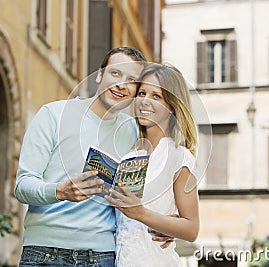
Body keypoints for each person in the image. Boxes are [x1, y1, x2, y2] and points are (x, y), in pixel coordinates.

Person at [14, 47, 148, 267]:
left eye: (131, 80)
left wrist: (156, 229)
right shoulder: (53, 115)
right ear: (99, 74)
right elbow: (22, 186)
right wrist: (60, 191)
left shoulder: (132, 131)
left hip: (102, 256)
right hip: (45, 254)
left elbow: (135, 197)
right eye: (115, 73)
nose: (122, 84)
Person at [105, 63, 200, 266]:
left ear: (172, 105)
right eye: (142, 93)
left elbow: (191, 229)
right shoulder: (129, 157)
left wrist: (142, 214)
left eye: (156, 96)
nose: (145, 101)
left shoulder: (179, 157)